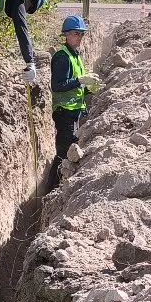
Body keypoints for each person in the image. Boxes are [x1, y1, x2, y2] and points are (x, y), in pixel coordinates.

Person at [49, 15, 102, 180]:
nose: (79, 37)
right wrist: (80, 80)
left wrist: (89, 89)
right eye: (75, 33)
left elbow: (75, 86)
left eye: (81, 34)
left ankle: (59, 183)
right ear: (66, 34)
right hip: (64, 112)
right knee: (64, 153)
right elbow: (57, 85)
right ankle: (55, 186)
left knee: (69, 151)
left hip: (74, 111)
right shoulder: (62, 57)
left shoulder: (75, 55)